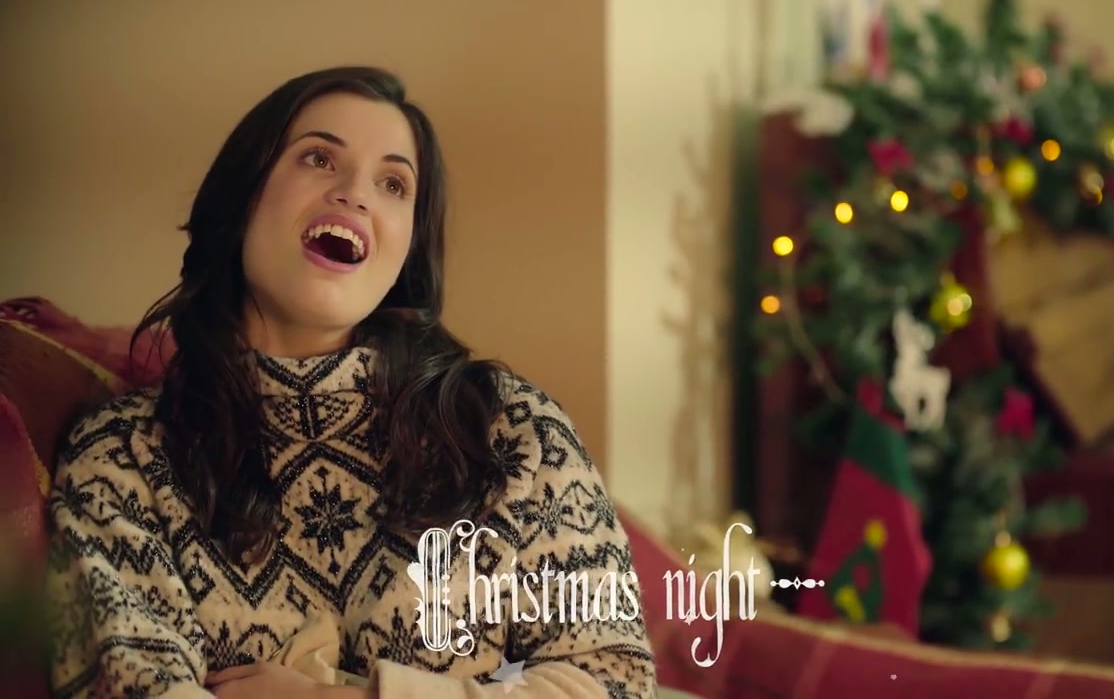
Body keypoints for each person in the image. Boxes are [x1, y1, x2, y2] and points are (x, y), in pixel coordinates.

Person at [44, 66, 656, 699]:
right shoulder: (125, 457)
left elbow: (617, 682)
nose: (355, 195)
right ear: (243, 194)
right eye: (318, 158)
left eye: (393, 184)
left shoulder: (511, 431)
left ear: (408, 247)